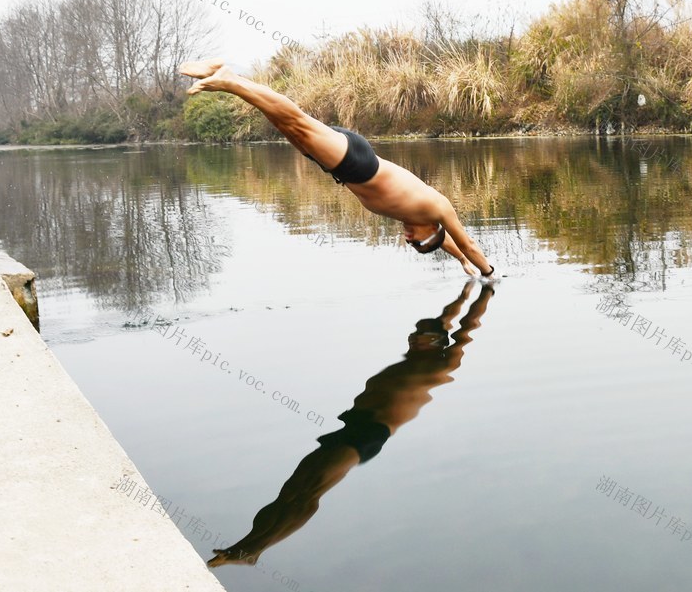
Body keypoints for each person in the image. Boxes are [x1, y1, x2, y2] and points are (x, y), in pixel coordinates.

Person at [206, 281, 494, 567]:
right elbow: (443, 319)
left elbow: (467, 327)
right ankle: (250, 545)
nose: (416, 338)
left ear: (439, 342)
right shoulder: (412, 357)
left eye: (425, 337)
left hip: (369, 435)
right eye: (414, 334)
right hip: (350, 429)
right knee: (292, 490)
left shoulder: (441, 365)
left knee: (309, 491)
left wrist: (485, 291)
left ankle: (255, 549)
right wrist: (464, 291)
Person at [178, 59, 495, 278]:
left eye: (411, 243)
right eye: (416, 241)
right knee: (297, 122)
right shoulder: (435, 207)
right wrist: (486, 271)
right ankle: (230, 80)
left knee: (285, 126)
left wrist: (461, 263)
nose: (409, 239)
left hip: (342, 170)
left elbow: (448, 244)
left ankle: (231, 77)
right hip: (358, 161)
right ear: (432, 231)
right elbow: (464, 241)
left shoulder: (414, 218)